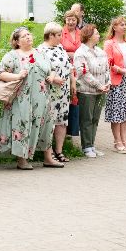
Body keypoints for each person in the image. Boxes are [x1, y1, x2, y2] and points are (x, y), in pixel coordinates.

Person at [0, 26, 52, 169]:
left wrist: (52, 76)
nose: (28, 37)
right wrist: (17, 76)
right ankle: (22, 160)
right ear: (17, 41)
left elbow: (51, 70)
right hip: (21, 98)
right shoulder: (12, 55)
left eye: (29, 34)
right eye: (24, 36)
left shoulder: (40, 53)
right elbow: (0, 73)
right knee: (22, 124)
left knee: (43, 125)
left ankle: (48, 158)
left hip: (41, 97)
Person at [103, 16, 126, 153]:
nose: (125, 27)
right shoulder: (109, 44)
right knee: (117, 112)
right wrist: (123, 70)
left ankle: (125, 140)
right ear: (114, 27)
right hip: (117, 81)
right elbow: (108, 63)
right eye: (121, 25)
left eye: (125, 24)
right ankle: (117, 141)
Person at [34, 24, 71, 167]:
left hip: (64, 91)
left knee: (62, 121)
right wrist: (54, 79)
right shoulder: (40, 50)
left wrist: (72, 83)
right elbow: (39, 71)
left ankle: (59, 151)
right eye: (59, 35)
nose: (61, 37)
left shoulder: (60, 48)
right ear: (50, 35)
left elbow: (68, 67)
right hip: (50, 91)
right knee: (50, 121)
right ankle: (47, 153)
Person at [72, 24, 110, 157]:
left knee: (95, 118)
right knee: (86, 119)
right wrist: (99, 85)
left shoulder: (101, 52)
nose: (99, 35)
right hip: (87, 92)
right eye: (96, 33)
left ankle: (92, 145)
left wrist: (108, 83)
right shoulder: (80, 53)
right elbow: (83, 73)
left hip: (101, 91)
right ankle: (86, 147)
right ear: (88, 36)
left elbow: (107, 69)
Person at [59, 8, 84, 143]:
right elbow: (57, 49)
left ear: (77, 21)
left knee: (76, 97)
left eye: (73, 20)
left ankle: (72, 129)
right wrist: (71, 54)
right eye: (68, 20)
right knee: (68, 96)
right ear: (65, 20)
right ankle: (64, 128)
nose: (71, 22)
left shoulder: (81, 33)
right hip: (65, 68)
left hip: (79, 69)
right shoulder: (60, 33)